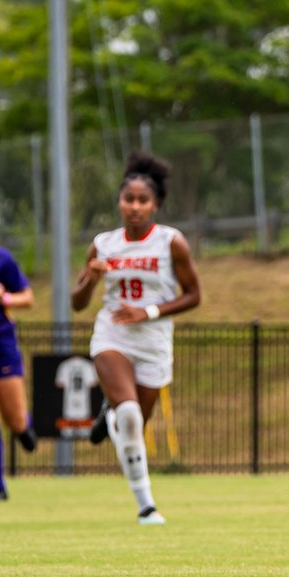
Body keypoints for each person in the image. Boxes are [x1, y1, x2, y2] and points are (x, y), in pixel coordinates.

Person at [70, 151, 201, 525]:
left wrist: (149, 311)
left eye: (143, 200)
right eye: (129, 199)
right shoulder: (103, 243)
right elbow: (78, 304)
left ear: (156, 204)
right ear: (119, 203)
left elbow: (194, 295)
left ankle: (108, 413)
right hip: (113, 336)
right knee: (128, 415)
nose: (135, 207)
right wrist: (90, 279)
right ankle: (146, 506)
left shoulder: (171, 242)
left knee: (134, 424)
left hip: (154, 342)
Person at [0, 202, 37, 501]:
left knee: (14, 419)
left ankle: (23, 426)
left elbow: (28, 297)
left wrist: (4, 296)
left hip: (0, 341)